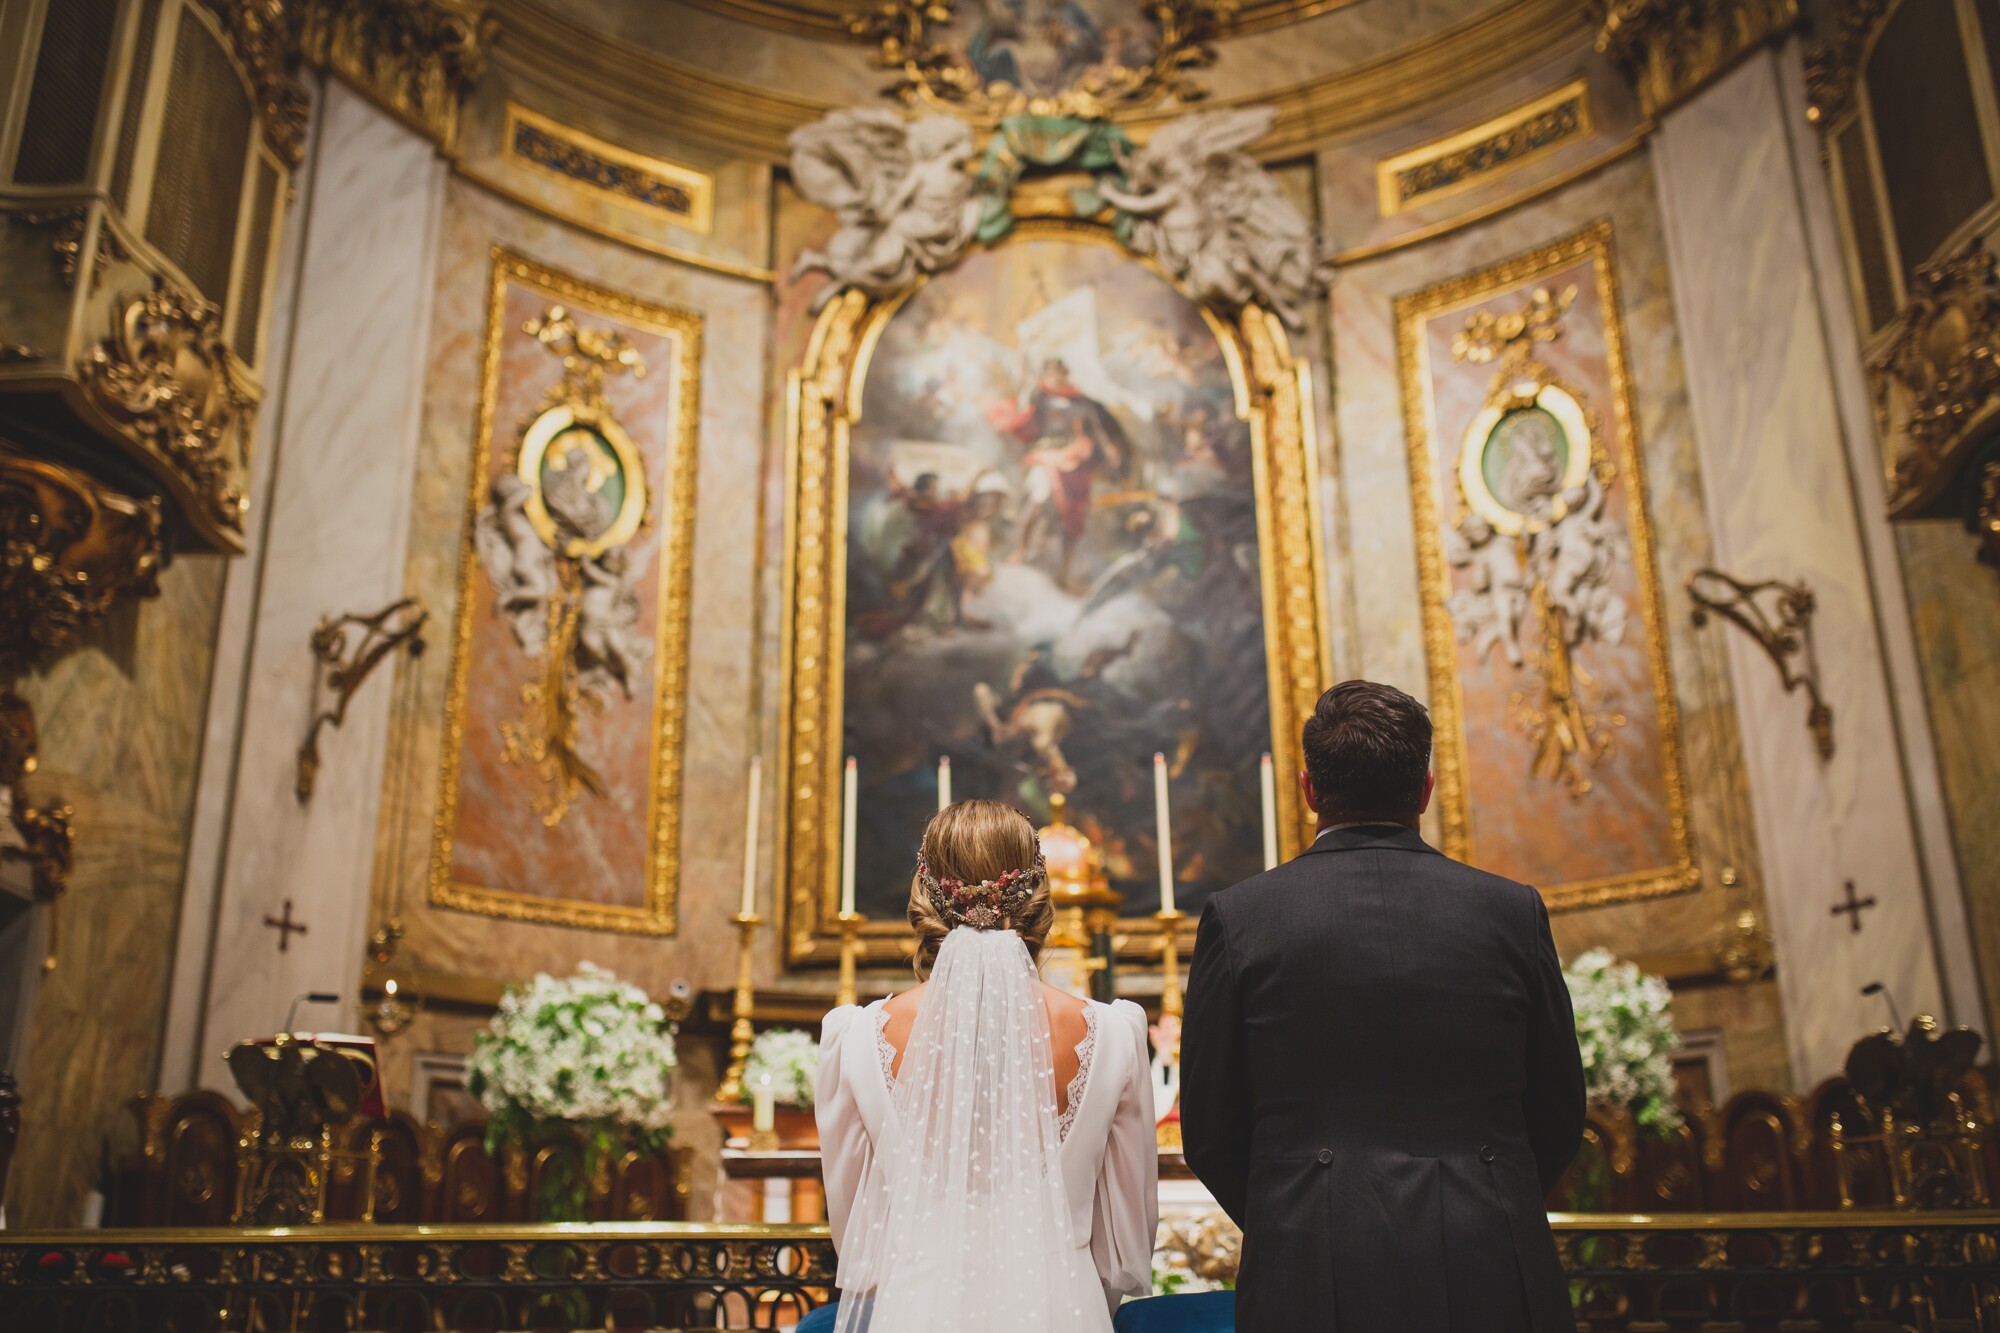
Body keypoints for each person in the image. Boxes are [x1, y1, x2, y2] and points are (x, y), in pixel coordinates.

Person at [1180, 680, 1585, 1333]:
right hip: (1493, 1259)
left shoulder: (1240, 918)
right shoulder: (1513, 911)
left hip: (1306, 1266)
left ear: (1309, 789)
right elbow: (1561, 1105)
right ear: (1425, 790)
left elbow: (1208, 1127)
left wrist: (1298, 1212)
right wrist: (1489, 1193)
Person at [813, 800, 1159, 1333]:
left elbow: (857, 1241)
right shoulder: (1113, 1035)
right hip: (1063, 1310)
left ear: (925, 895)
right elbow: (1124, 1249)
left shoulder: (855, 1038)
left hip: (914, 1308)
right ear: (1040, 899)